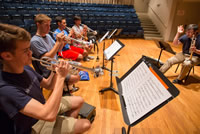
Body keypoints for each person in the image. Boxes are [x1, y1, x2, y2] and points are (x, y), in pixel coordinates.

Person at [0, 23, 91, 134]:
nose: (31, 53)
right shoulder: (5, 89)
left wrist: (54, 72)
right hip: (34, 126)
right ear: (7, 56)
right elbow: (48, 115)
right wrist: (61, 77)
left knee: (79, 101)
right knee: (86, 124)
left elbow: (48, 85)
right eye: (25, 51)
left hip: (43, 108)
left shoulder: (26, 69)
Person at [30, 14, 79, 92]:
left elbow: (58, 50)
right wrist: (58, 42)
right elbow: (47, 59)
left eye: (49, 25)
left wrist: (62, 42)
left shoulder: (48, 36)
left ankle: (65, 88)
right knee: (75, 78)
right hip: (49, 70)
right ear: (38, 24)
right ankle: (64, 88)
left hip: (56, 64)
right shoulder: (34, 41)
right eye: (46, 25)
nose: (49, 28)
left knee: (77, 68)